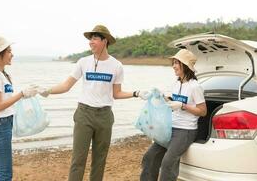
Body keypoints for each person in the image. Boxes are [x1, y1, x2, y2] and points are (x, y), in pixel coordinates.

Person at [39, 25, 148, 181]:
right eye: (90, 39)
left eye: (94, 38)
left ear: (105, 41)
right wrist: (47, 91)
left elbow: (116, 94)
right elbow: (66, 85)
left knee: (100, 161)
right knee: (78, 160)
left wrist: (136, 93)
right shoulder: (83, 62)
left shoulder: (116, 66)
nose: (91, 42)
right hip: (84, 114)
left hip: (104, 116)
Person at [140, 49, 207, 181]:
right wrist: (159, 95)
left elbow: (203, 111)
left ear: (186, 66)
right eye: (174, 62)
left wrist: (183, 106)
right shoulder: (176, 83)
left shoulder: (195, 87)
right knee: (149, 157)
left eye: (177, 63)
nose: (174, 66)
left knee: (167, 164)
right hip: (170, 127)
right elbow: (172, 102)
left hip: (185, 131)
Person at [0, 36, 38, 181]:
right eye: (8, 51)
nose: (12, 54)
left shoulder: (2, 74)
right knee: (5, 175)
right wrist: (21, 94)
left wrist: (25, 95)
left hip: (3, 125)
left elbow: (6, 101)